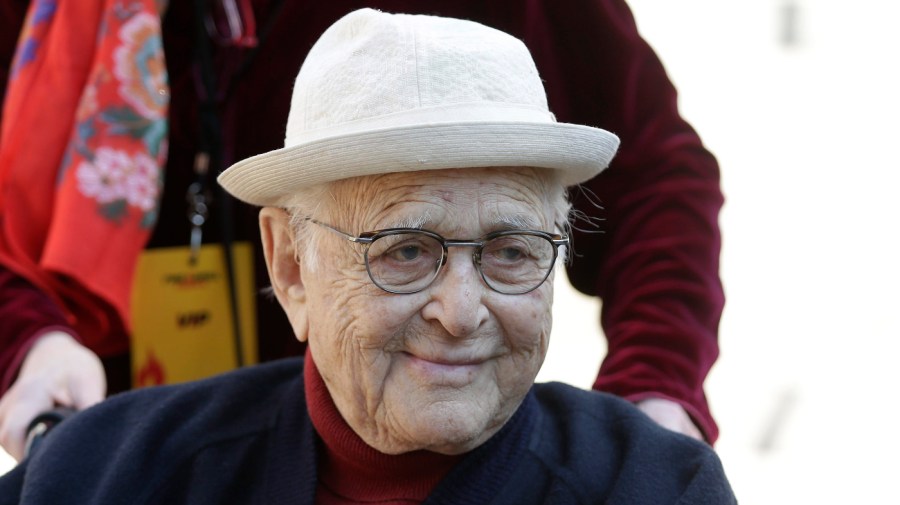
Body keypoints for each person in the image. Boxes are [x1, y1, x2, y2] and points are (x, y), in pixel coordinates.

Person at [0, 10, 734, 503]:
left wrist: (656, 388)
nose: (461, 309)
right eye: (407, 249)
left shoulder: (653, 487)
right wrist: (26, 335)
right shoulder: (94, 476)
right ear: (286, 264)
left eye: (512, 250)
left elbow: (657, 182)